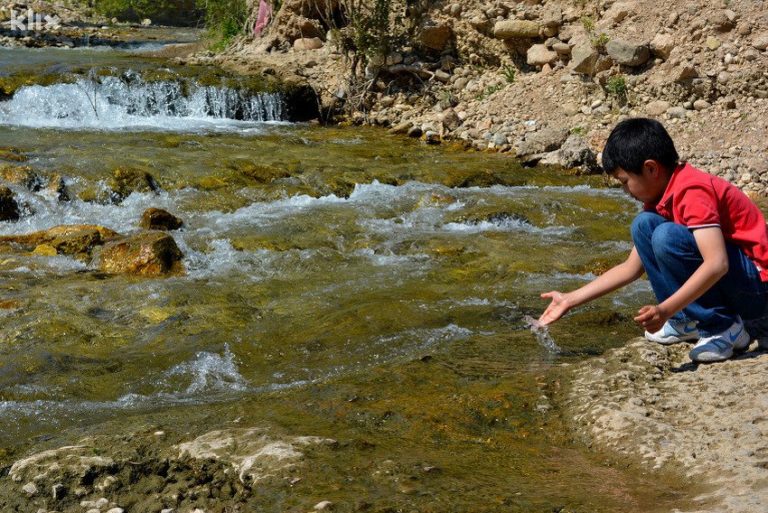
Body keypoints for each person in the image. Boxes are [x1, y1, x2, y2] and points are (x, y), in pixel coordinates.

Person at [538, 117, 768, 363]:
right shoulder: (661, 198)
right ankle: (686, 321)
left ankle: (723, 327)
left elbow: (717, 263)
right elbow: (630, 268)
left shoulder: (692, 190)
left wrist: (664, 309)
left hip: (758, 290)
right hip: (738, 285)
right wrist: (570, 299)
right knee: (644, 225)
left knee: (666, 236)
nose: (625, 191)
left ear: (651, 168)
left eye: (625, 182)